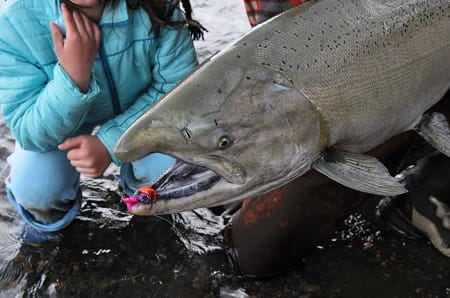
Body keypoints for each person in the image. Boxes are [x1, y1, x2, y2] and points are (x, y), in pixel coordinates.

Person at [231, 0, 450, 277]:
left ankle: (431, 188)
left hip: (428, 65)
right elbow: (277, 55)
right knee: (256, 257)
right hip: (337, 101)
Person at [0, 0, 204, 242]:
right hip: (66, 119)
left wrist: (109, 144)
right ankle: (47, 231)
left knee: (171, 172)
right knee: (37, 189)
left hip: (143, 109)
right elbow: (29, 131)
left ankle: (141, 204)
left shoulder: (157, 5)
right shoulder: (15, 23)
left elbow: (179, 90)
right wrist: (73, 77)